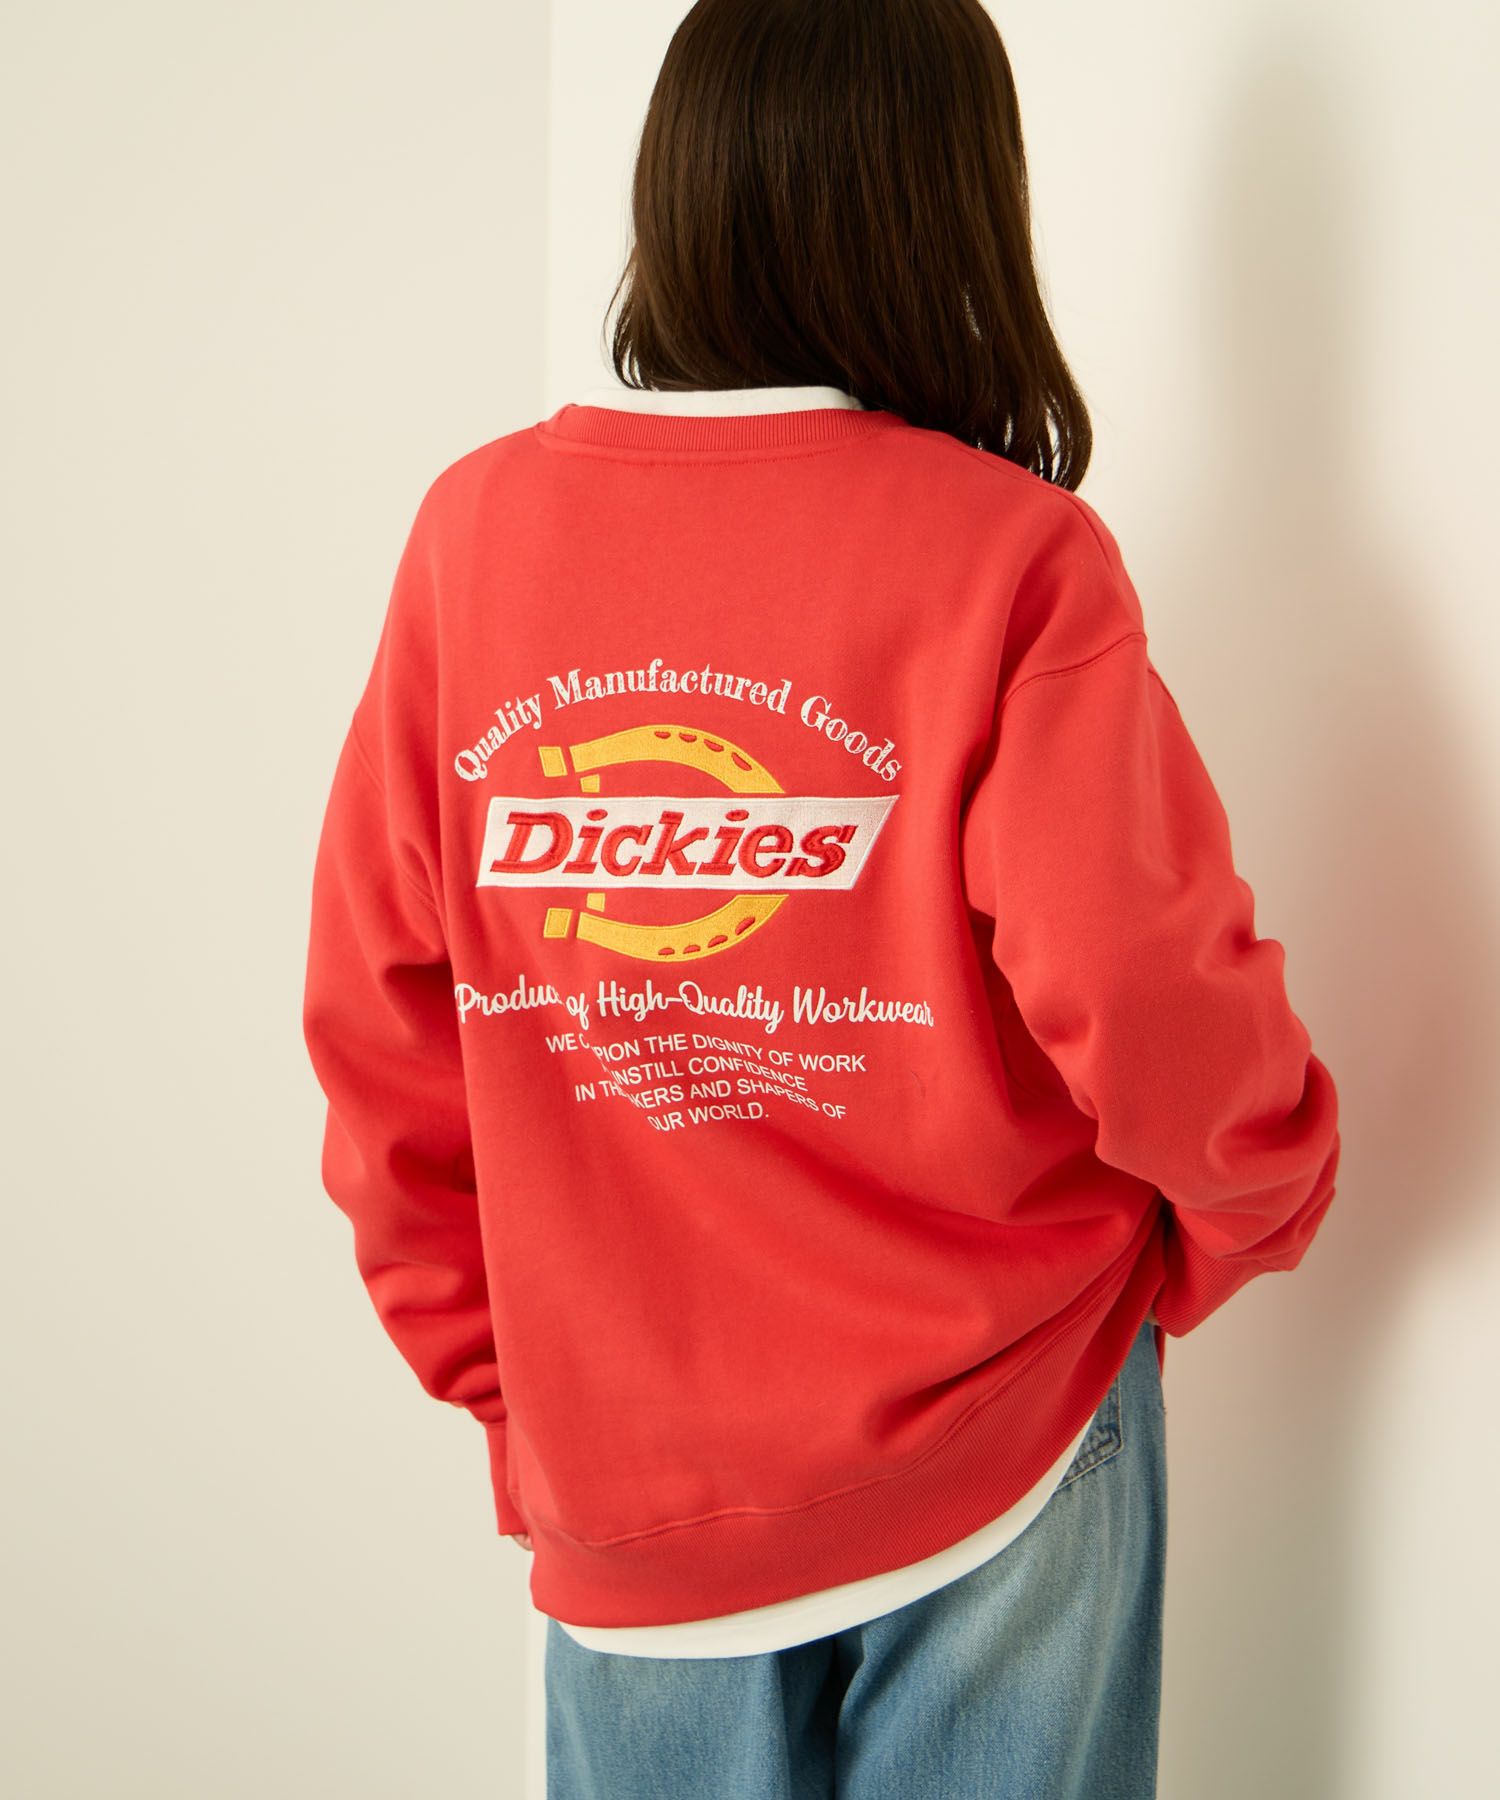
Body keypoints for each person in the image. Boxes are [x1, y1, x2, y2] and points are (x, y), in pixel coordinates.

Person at [301, 1, 1342, 1793]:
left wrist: (515, 1387)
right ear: (954, 207)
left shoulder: (477, 538)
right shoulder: (1010, 558)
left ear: (681, 186)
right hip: (1003, 1435)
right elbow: (1139, 973)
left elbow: (379, 1018)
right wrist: (1256, 1197)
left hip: (629, 1487)